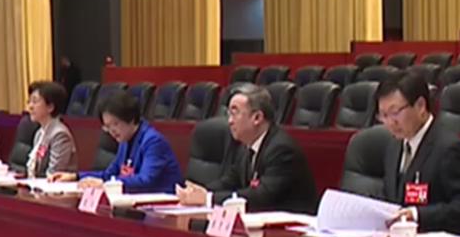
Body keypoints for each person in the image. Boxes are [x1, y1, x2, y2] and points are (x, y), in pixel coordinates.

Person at [176, 84, 318, 211]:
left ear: (257, 118)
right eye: (229, 114)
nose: (229, 121)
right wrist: (200, 192)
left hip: (290, 226)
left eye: (235, 113)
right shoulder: (246, 146)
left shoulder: (281, 150)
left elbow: (261, 196)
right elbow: (230, 181)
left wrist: (209, 198)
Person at [375, 71, 460, 233]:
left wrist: (417, 215)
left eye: (395, 112)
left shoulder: (449, 148)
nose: (390, 122)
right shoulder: (393, 146)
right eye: (383, 115)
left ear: (420, 106)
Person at [55, 90, 181, 192]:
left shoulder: (153, 142)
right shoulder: (124, 140)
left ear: (131, 118)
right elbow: (109, 174)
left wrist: (108, 185)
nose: (112, 131)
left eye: (115, 124)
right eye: (107, 126)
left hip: (163, 204)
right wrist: (75, 176)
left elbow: (145, 180)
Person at [21, 80, 77, 178]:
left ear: (50, 107)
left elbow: (53, 174)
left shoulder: (60, 134)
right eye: (29, 102)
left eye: (35, 102)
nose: (30, 107)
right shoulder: (39, 133)